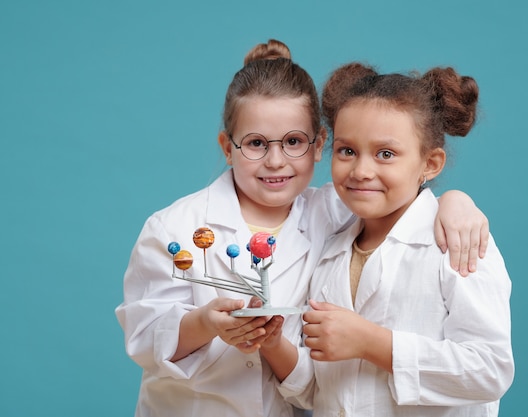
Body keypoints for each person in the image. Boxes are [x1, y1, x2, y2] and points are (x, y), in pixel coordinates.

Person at [115, 40, 491, 417]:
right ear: (227, 148)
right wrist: (204, 323)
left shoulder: (338, 210)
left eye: (294, 142)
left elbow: (398, 196)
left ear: (319, 144)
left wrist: (455, 200)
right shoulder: (173, 229)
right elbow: (143, 339)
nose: (275, 161)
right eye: (256, 143)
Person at [272, 63, 514, 416]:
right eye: (347, 151)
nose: (361, 171)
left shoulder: (457, 241)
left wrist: (371, 342)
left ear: (430, 164)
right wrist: (272, 343)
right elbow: (319, 392)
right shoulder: (330, 253)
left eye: (386, 154)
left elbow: (488, 371)